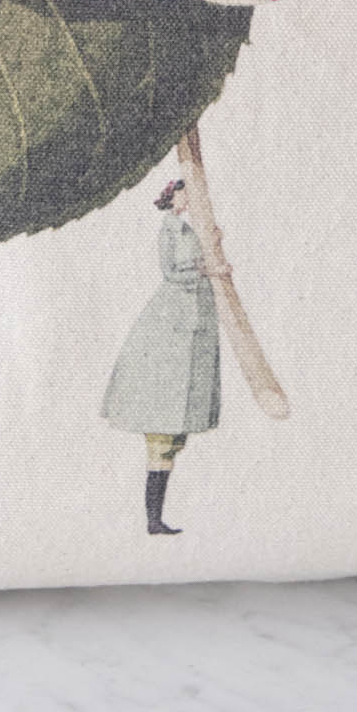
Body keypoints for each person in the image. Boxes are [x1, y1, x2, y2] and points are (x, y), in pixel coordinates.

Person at [101, 176, 226, 534]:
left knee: (176, 426)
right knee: (165, 414)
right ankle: (153, 518)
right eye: (186, 194)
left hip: (195, 313)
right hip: (174, 316)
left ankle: (155, 518)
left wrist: (213, 247)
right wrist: (206, 269)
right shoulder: (170, 229)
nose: (191, 199)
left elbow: (203, 258)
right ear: (174, 197)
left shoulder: (188, 228)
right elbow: (171, 271)